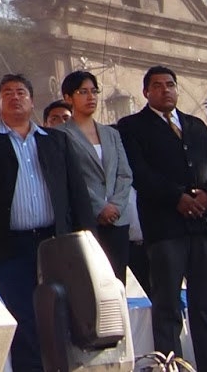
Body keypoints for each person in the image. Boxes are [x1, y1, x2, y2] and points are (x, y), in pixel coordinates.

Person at [117, 65, 207, 372]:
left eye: (170, 84)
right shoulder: (132, 126)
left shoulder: (195, 125)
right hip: (165, 227)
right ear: (146, 92)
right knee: (167, 303)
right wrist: (177, 197)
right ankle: (171, 364)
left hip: (204, 225)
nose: (165, 90)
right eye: (157, 86)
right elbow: (139, 171)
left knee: (204, 302)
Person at [0, 72, 87, 372]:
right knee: (22, 317)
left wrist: (86, 237)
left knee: (60, 314)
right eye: (7, 93)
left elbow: (77, 192)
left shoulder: (56, 140)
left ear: (32, 101)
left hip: (55, 242)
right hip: (10, 245)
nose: (15, 97)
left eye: (21, 92)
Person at [58, 70, 134, 281]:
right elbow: (69, 177)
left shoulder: (111, 133)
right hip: (85, 219)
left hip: (117, 220)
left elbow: (124, 174)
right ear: (68, 98)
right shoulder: (60, 134)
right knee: (89, 283)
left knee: (117, 282)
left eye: (94, 91)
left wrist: (116, 206)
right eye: (83, 92)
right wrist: (100, 207)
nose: (90, 97)